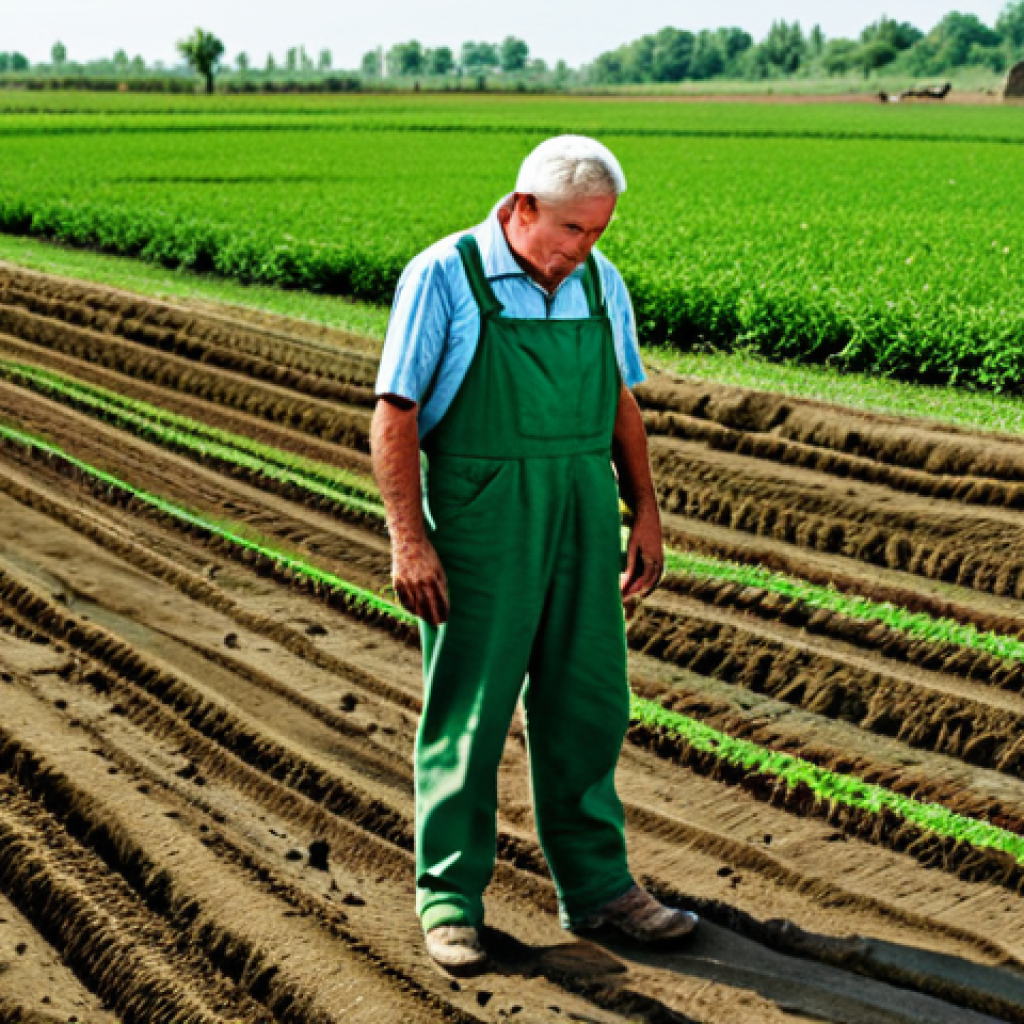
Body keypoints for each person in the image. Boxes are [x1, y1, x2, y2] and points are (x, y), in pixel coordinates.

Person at [371, 135, 698, 972]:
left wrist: (645, 510)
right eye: (572, 229)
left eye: (598, 230)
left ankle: (599, 888)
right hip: (483, 515)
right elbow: (396, 412)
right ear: (522, 208)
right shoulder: (445, 275)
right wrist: (410, 539)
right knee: (471, 712)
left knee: (591, 703)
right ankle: (449, 899)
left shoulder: (599, 281)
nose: (584, 247)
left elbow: (619, 399)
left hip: (583, 508)